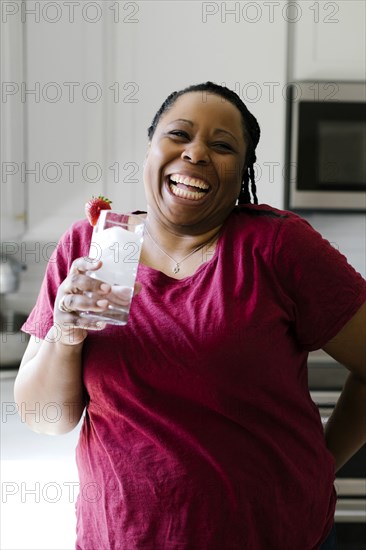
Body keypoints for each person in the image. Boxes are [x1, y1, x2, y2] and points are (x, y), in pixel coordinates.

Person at [15, 82, 366, 550]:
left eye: (222, 145)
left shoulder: (280, 247)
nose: (196, 153)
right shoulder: (90, 248)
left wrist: (322, 460)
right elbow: (47, 419)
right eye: (178, 135)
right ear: (150, 151)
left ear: (242, 172)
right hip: (123, 538)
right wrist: (66, 333)